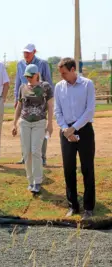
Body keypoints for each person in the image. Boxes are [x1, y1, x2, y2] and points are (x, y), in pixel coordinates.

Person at [54, 58, 96, 220]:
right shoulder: (59, 87)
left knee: (87, 169)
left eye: (64, 73)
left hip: (84, 130)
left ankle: (89, 207)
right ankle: (73, 205)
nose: (62, 76)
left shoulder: (87, 84)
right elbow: (57, 111)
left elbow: (89, 110)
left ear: (73, 70)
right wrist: (66, 129)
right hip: (66, 131)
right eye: (60, 73)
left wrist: (74, 128)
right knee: (68, 169)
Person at [12, 65, 54, 194]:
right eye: (27, 76)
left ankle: (37, 181)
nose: (28, 78)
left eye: (30, 76)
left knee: (36, 151)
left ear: (37, 74)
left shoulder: (45, 86)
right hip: (24, 122)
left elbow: (50, 106)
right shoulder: (22, 88)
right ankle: (30, 181)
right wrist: (14, 123)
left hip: (39, 122)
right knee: (27, 153)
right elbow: (19, 106)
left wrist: (50, 124)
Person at [15, 44, 54, 166]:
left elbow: (48, 81)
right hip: (25, 99)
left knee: (40, 127)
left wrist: (49, 100)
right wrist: (17, 98)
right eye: (24, 53)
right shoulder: (20, 64)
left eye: (28, 52)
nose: (26, 55)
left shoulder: (42, 63)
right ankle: (25, 156)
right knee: (24, 127)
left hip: (40, 100)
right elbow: (18, 82)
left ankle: (42, 157)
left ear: (34, 52)